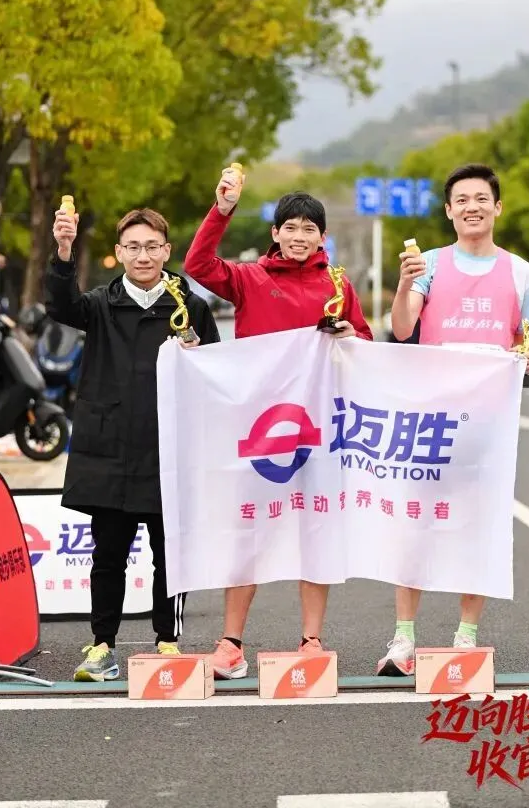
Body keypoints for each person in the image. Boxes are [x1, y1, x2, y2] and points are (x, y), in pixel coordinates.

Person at [184, 168, 372, 679]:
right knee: (248, 529)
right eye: (290, 227)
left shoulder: (337, 284)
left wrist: (349, 335)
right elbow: (197, 265)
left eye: (309, 229)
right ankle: (230, 644)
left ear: (322, 237)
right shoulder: (249, 278)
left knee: (316, 528)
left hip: (319, 431)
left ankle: (311, 639)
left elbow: (366, 345)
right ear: (275, 233)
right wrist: (222, 210)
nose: (299, 236)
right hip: (259, 429)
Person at [379, 162, 529, 677]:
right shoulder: (426, 263)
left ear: (497, 207)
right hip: (430, 421)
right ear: (449, 211)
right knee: (415, 525)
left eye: (481, 199)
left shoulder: (521, 272)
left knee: (478, 526)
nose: (473, 207)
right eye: (462, 200)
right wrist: (404, 286)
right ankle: (404, 639)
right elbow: (401, 328)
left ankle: (465, 635)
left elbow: (525, 341)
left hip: (488, 424)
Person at [47, 206, 220, 682]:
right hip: (111, 451)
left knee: (171, 556)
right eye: (134, 247)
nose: (143, 256)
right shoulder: (100, 305)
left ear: (167, 251)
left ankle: (168, 641)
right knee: (107, 557)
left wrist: (198, 357)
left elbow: (217, 374)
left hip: (169, 450)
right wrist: (64, 250)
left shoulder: (190, 307)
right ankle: (101, 645)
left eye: (152, 247)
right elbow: (60, 306)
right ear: (119, 253)